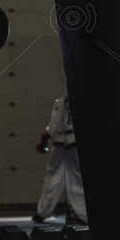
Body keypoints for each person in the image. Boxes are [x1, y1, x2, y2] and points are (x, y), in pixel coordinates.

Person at [32, 95, 88, 225]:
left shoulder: (63, 102)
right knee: (75, 180)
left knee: (55, 179)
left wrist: (45, 138)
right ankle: (83, 214)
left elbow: (54, 124)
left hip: (63, 143)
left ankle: (43, 212)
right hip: (71, 143)